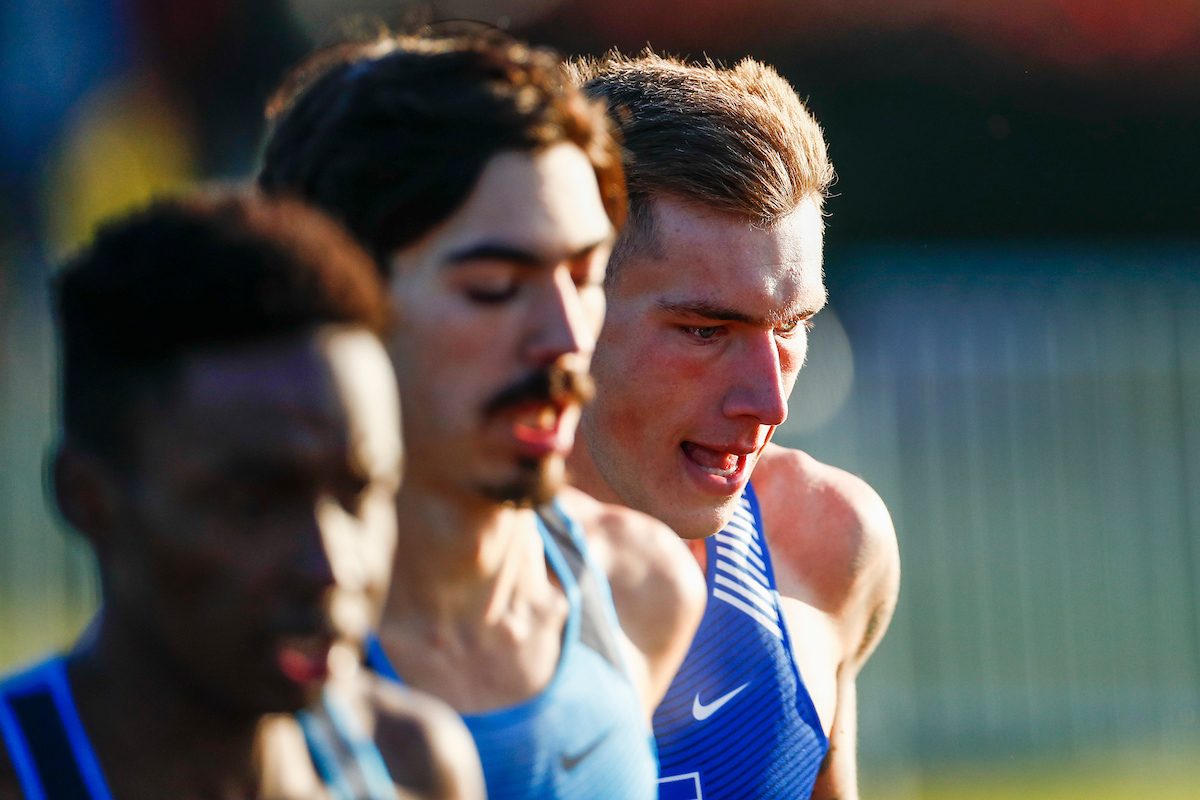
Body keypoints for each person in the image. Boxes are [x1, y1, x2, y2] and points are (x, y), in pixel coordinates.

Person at [259, 32, 706, 800]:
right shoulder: (229, 651)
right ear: (330, 293)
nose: (567, 338)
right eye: (496, 285)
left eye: (584, 275)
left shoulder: (642, 589)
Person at [0, 192, 483, 800]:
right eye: (256, 502)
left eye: (360, 494)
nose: (330, 565)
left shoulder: (413, 766)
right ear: (88, 498)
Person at [566, 52, 902, 800]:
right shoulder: (384, 596)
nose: (769, 402)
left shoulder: (825, 542)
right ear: (566, 302)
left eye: (792, 327)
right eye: (705, 330)